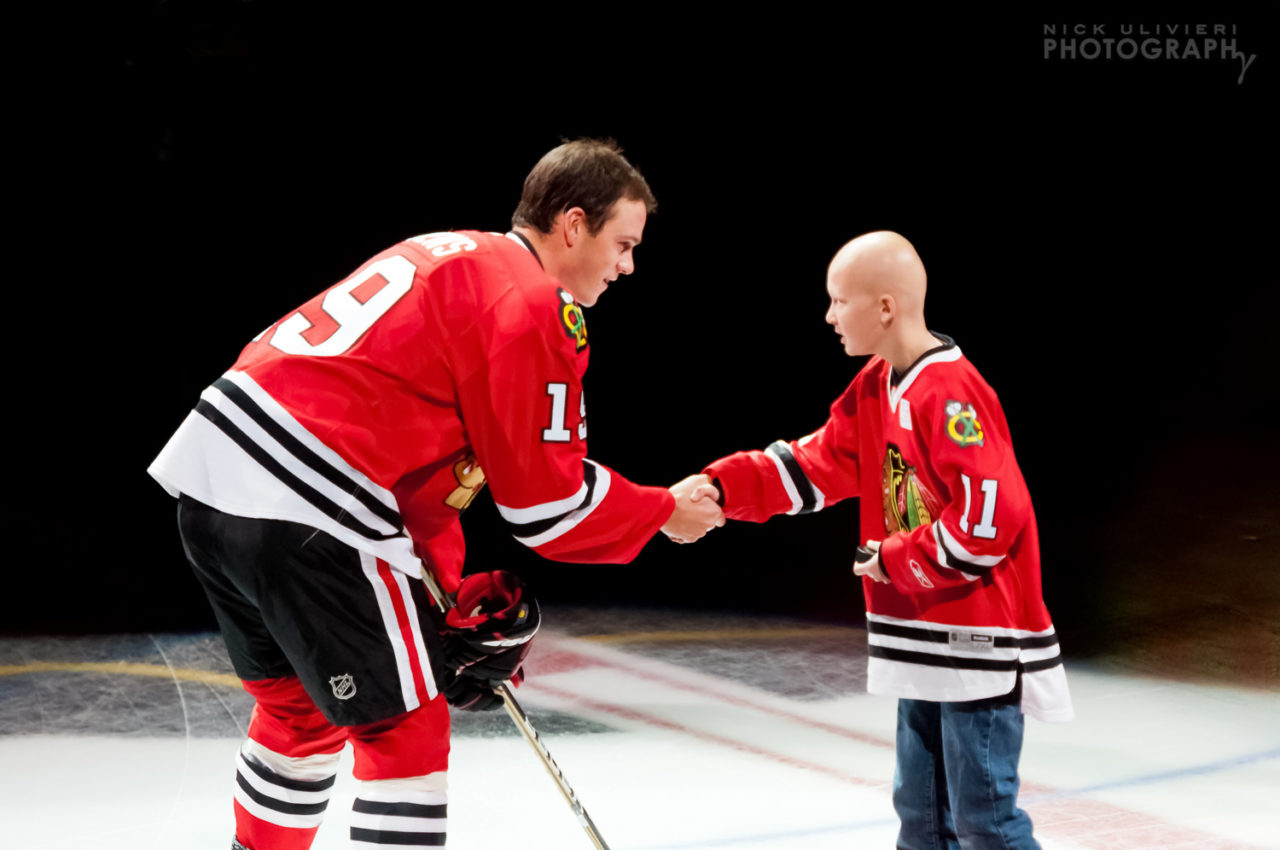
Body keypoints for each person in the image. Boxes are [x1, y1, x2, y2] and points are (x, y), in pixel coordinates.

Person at [148, 138, 723, 850]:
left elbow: (414, 471)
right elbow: (547, 510)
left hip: (212, 481)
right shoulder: (536, 305)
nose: (628, 265)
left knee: (301, 714)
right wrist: (664, 511)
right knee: (405, 731)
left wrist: (444, 602)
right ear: (573, 224)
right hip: (308, 504)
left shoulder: (453, 251)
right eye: (623, 242)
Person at [680, 231, 1072, 849]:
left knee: (984, 823)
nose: (830, 315)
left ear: (884, 308)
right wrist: (721, 489)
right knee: (918, 821)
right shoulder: (875, 385)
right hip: (924, 643)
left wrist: (895, 559)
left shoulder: (952, 394)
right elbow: (815, 464)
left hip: (978, 646)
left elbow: (993, 518)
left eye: (840, 300)